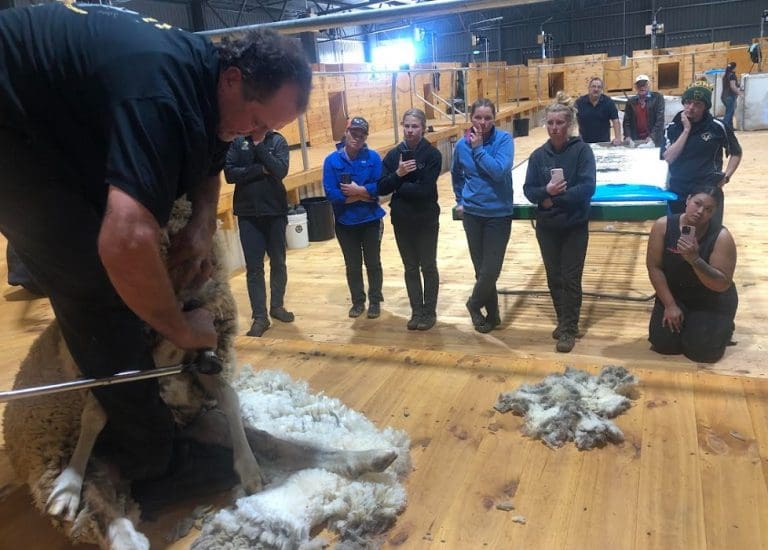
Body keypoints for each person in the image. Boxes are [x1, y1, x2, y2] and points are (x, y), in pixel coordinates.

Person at [0, 3, 311, 481]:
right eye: (256, 121)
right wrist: (181, 329)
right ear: (233, 80)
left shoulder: (210, 84)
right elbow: (124, 240)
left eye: (269, 130)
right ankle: (147, 454)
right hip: (13, 129)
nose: (256, 137)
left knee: (143, 227)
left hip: (53, 118)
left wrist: (203, 222)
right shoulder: (162, 98)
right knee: (93, 284)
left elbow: (212, 150)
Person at [523, 93, 596, 353]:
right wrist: (545, 192)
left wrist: (552, 199)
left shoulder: (582, 151)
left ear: (569, 124)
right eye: (551, 123)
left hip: (574, 226)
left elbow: (587, 188)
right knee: (554, 277)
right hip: (547, 228)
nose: (554, 127)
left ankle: (568, 329)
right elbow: (529, 190)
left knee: (570, 278)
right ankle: (563, 319)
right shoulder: (538, 156)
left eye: (560, 123)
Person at [645, 185, 737, 363]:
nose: (700, 211)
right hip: (677, 293)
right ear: (688, 200)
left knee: (702, 353)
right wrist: (670, 305)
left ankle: (724, 326)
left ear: (714, 212)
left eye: (708, 209)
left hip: (710, 297)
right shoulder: (662, 226)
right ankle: (691, 323)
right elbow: (654, 267)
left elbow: (721, 284)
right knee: (663, 344)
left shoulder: (721, 236)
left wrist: (695, 260)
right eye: (697, 203)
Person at [451, 99, 514, 333]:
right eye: (478, 117)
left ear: (494, 119)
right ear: (471, 118)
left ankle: (473, 303)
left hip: (498, 213)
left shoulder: (504, 140)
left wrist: (478, 149)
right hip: (473, 214)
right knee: (481, 270)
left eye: (488, 118)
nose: (483, 122)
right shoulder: (461, 145)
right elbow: (457, 175)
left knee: (491, 269)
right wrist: (460, 200)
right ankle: (493, 315)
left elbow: (498, 171)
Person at [224, 131, 294, 338]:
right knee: (254, 268)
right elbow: (230, 174)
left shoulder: (278, 140)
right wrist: (259, 169)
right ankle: (260, 317)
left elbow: (280, 170)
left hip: (275, 212)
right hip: (247, 214)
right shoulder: (238, 142)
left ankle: (277, 306)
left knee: (278, 262)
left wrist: (260, 147)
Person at [378, 109, 442, 331]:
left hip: (426, 219)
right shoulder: (393, 155)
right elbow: (381, 187)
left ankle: (429, 311)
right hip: (402, 219)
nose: (410, 130)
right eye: (406, 126)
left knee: (428, 266)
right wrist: (399, 174)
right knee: (410, 267)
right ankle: (416, 311)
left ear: (423, 128)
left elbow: (425, 190)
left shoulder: (432, 155)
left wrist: (398, 186)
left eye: (415, 126)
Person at [322, 117, 386, 319]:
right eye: (353, 133)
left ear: (366, 137)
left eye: (361, 135)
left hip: (371, 220)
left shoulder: (373, 158)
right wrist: (363, 195)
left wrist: (357, 191)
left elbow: (379, 187)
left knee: (373, 263)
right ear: (346, 132)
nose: (357, 137)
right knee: (353, 265)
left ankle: (375, 300)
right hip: (345, 222)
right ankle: (358, 302)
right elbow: (332, 194)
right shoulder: (331, 161)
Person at [661, 82, 742, 225]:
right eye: (688, 102)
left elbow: (736, 152)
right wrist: (686, 130)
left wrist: (727, 177)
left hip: (708, 191)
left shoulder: (718, 127)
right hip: (678, 190)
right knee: (678, 232)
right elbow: (668, 158)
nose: (691, 107)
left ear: (705, 107)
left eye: (697, 104)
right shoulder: (672, 128)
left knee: (709, 233)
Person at [575, 77, 622, 145]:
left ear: (601, 89)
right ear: (589, 88)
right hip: (584, 143)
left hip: (604, 143)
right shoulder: (579, 102)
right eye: (593, 86)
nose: (596, 89)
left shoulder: (609, 102)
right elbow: (572, 120)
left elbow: (615, 121)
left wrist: (618, 138)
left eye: (599, 87)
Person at [623, 74, 666, 147]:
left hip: (654, 140)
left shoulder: (657, 98)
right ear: (636, 87)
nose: (642, 87)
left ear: (648, 85)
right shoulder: (631, 102)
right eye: (639, 85)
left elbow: (660, 120)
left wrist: (652, 137)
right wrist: (628, 136)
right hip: (636, 140)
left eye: (644, 85)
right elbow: (626, 121)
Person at [721, 62, 740, 129]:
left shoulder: (725, 75)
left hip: (724, 96)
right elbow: (733, 86)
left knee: (730, 112)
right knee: (729, 113)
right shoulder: (732, 75)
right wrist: (739, 93)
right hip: (729, 96)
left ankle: (730, 127)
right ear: (734, 68)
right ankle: (723, 127)